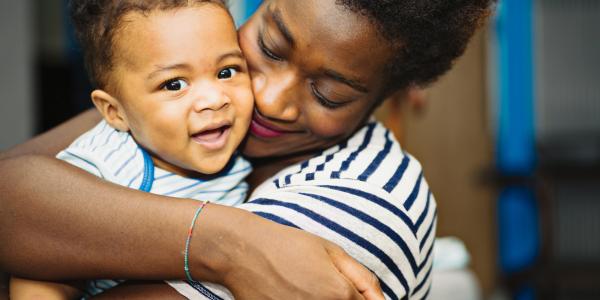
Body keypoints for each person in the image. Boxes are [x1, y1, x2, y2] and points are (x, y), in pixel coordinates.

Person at [0, 0, 494, 299]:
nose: (270, 100)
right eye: (271, 45)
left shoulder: (369, 201)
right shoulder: (200, 95)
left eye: (329, 94)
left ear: (389, 99)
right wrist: (231, 243)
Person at [9, 0, 254, 298]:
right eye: (174, 84)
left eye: (227, 72)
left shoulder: (245, 146)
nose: (214, 99)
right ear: (115, 112)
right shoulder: (101, 168)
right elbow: (40, 264)